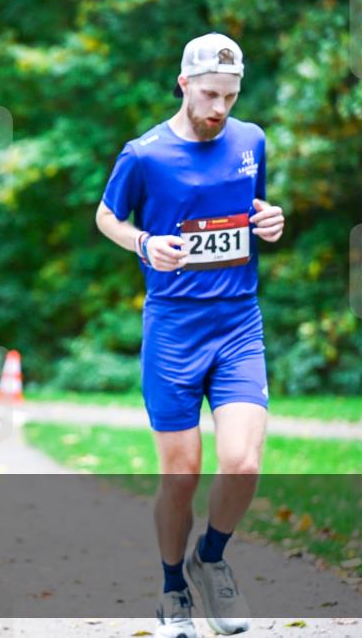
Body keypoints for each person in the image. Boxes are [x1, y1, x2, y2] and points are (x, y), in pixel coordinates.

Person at [95, 33, 285, 638]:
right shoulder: (145, 154)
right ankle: (173, 589)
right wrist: (144, 243)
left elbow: (254, 209)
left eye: (230, 96)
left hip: (238, 323)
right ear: (184, 84)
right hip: (174, 327)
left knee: (243, 462)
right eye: (209, 95)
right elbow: (106, 216)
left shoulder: (251, 140)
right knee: (181, 476)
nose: (219, 108)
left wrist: (270, 219)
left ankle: (213, 559)